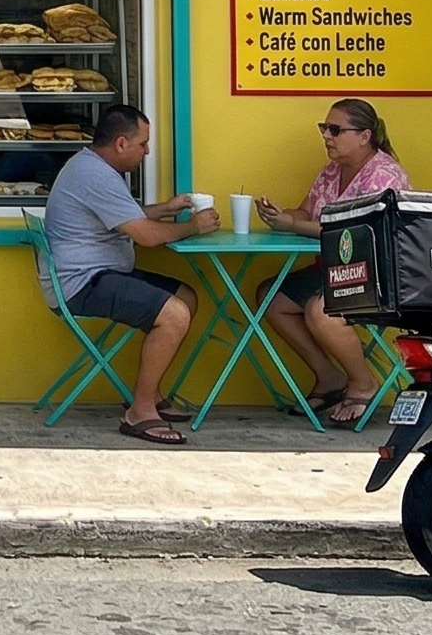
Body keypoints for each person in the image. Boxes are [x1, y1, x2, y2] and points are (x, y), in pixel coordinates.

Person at [37, 104, 221, 446]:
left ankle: (150, 393)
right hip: (81, 284)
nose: (147, 152)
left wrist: (165, 209)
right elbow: (147, 237)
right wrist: (195, 226)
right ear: (121, 143)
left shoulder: (92, 167)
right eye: (143, 144)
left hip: (94, 275)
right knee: (174, 313)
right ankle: (140, 410)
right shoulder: (96, 175)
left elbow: (125, 216)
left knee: (185, 297)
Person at [256, 98, 411, 428]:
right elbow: (307, 212)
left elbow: (356, 234)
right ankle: (329, 379)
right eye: (324, 128)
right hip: (332, 269)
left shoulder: (384, 176)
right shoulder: (331, 171)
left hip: (376, 274)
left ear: (364, 136)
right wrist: (280, 216)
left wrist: (294, 226)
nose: (327, 135)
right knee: (270, 298)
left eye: (335, 129)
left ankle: (363, 383)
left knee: (320, 310)